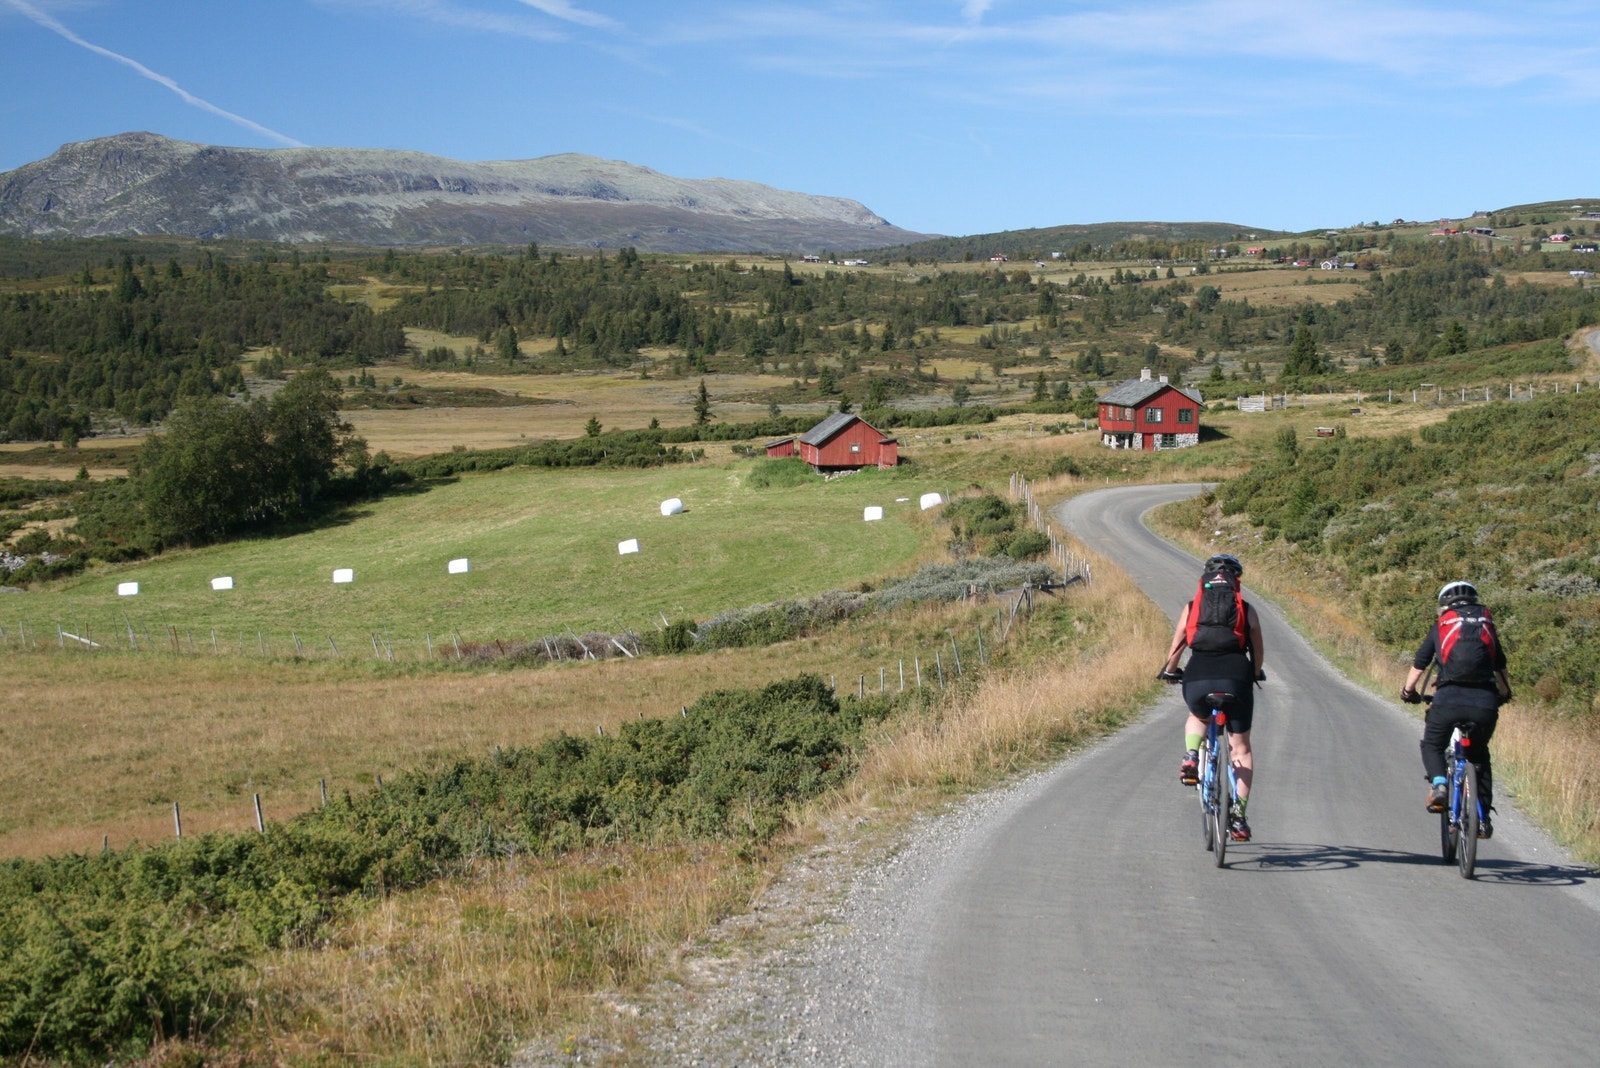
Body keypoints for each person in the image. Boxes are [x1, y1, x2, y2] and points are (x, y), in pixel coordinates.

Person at [1158, 553, 1266, 842]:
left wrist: (1170, 671)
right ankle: (1238, 818)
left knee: (1198, 715)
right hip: (1236, 677)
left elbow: (1179, 643)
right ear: (1236, 581)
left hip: (1199, 674)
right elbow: (1257, 651)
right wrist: (1256, 673)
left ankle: (1192, 756)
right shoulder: (1246, 609)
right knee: (1240, 748)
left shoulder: (1193, 606)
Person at [1401, 580, 1511, 839]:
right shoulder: (1486, 624)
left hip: (1448, 699)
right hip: (1484, 703)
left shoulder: (1442, 625)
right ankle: (1482, 820)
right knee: (1479, 756)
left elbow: (1420, 662)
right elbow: (1500, 665)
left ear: (1444, 605)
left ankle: (1440, 785)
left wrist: (1408, 692)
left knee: (1433, 745)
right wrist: (1505, 694)